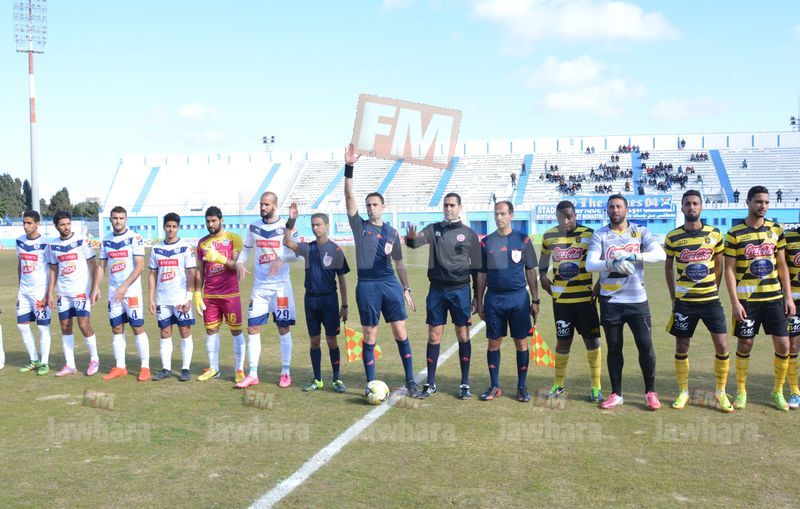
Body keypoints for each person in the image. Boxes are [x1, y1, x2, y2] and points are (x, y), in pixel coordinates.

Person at [344, 143, 419, 397]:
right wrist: (349, 168)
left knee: (400, 331)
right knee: (369, 333)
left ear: (382, 207)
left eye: (375, 204)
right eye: (368, 205)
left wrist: (406, 288)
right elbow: (349, 198)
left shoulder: (392, 232)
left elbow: (399, 263)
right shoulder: (360, 227)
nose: (370, 208)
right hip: (367, 285)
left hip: (389, 284)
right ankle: (371, 384)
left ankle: (411, 381)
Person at [586, 194, 666, 410]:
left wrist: (633, 256)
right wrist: (612, 263)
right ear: (607, 210)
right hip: (611, 301)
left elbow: (660, 255)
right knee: (614, 348)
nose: (615, 210)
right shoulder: (600, 234)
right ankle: (616, 394)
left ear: (627, 210)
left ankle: (650, 392)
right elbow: (590, 265)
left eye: (619, 206)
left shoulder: (640, 231)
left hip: (637, 300)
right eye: (611, 207)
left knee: (645, 346)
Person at [724, 185, 795, 411]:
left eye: (766, 202)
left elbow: (782, 265)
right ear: (748, 202)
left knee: (784, 345)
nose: (762, 206)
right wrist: (735, 302)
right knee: (745, 344)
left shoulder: (776, 230)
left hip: (774, 298)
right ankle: (741, 391)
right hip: (747, 301)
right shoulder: (734, 233)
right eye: (758, 202)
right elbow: (729, 270)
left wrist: (788, 297)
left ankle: (778, 391)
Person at [405, 192, 481, 399]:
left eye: (452, 205)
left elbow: (477, 267)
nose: (448, 208)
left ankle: (464, 384)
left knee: (463, 335)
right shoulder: (433, 229)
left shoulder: (469, 234)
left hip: (460, 290)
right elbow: (415, 243)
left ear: (460, 207)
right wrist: (410, 238)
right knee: (434, 336)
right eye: (446, 205)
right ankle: (430, 383)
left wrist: (477, 296)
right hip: (437, 290)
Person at [664, 191, 732, 412]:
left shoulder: (714, 234)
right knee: (682, 345)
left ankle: (720, 392)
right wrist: (674, 297)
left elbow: (719, 265)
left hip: (711, 300)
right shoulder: (673, 236)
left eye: (695, 203)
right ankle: (683, 392)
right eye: (687, 204)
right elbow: (668, 268)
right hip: (685, 302)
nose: (691, 207)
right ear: (682, 208)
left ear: (701, 207)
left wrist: (715, 289)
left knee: (722, 345)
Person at [475, 201, 539, 402]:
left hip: (518, 298)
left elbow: (531, 270)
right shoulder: (486, 242)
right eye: (496, 214)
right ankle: (495, 386)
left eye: (503, 214)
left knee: (521, 341)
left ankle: (522, 386)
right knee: (494, 342)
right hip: (494, 299)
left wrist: (535, 300)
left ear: (511, 215)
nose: (499, 217)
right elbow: (481, 274)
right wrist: (479, 300)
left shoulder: (523, 239)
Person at [539, 200, 603, 402]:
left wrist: (599, 284)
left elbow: (603, 262)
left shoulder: (590, 234)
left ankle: (596, 388)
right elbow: (543, 262)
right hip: (561, 301)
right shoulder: (549, 236)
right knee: (563, 342)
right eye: (561, 217)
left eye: (569, 217)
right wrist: (542, 276)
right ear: (556, 217)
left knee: (592, 342)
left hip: (585, 299)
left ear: (575, 216)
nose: (565, 221)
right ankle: (559, 385)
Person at [282, 204, 350, 393]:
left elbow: (342, 279)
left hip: (329, 300)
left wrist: (344, 305)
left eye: (318, 224)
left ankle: (336, 379)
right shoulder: (308, 248)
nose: (315, 228)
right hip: (311, 301)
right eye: (313, 225)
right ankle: (318, 379)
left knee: (331, 340)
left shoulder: (336, 250)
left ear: (327, 226)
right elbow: (287, 241)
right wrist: (291, 220)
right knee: (314, 341)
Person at [235, 192, 299, 388]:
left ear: (275, 206)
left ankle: (285, 372)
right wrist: (239, 262)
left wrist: (281, 259)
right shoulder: (254, 227)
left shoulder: (286, 227)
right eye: (261, 204)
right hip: (260, 288)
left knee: (283, 328)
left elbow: (296, 253)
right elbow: (247, 249)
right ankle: (253, 373)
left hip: (281, 288)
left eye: (267, 204)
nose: (263, 207)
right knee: (253, 328)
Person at [92, 206, 150, 381]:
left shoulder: (134, 238)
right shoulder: (106, 241)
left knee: (137, 327)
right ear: (110, 220)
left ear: (126, 219)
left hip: (131, 292)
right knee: (116, 328)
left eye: (121, 218)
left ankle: (145, 367)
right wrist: (96, 287)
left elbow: (140, 266)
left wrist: (124, 287)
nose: (118, 221)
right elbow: (101, 267)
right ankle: (120, 366)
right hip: (113, 292)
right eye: (115, 218)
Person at [46, 210, 100, 377]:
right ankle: (70, 364)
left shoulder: (82, 241)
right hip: (63, 293)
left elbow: (93, 265)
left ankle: (94, 359)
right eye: (62, 224)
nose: (66, 227)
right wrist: (50, 293)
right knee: (65, 327)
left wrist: (95, 288)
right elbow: (53, 270)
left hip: (81, 292)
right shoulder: (53, 246)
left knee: (83, 325)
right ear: (56, 226)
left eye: (68, 224)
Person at [194, 206, 244, 383]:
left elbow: (237, 266)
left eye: (214, 221)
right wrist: (197, 293)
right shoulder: (202, 243)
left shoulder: (233, 238)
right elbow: (200, 271)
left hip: (230, 294)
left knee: (236, 331)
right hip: (210, 295)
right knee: (211, 330)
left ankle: (239, 369)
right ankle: (213, 368)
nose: (210, 224)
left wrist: (219, 257)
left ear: (221, 220)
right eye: (208, 221)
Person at [148, 212, 197, 382]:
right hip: (163, 299)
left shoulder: (185, 248)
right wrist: (151, 298)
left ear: (178, 227)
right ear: (164, 227)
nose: (171, 229)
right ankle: (166, 369)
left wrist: (188, 298)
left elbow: (191, 274)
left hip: (180, 299)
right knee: (165, 332)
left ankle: (185, 369)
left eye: (174, 226)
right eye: (168, 226)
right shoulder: (156, 249)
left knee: (185, 331)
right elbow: (152, 274)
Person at [16, 210, 52, 375]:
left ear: (37, 224)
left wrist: (48, 293)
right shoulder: (19, 241)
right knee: (22, 326)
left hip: (39, 292)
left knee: (43, 327)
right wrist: (20, 286)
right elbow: (20, 264)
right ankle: (34, 360)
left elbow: (52, 269)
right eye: (24, 222)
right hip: (24, 292)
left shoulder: (46, 244)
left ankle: (44, 362)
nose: (26, 226)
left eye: (29, 223)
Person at [783, 224, 800, 408]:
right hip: (795, 302)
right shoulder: (789, 237)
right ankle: (795, 391)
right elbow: (781, 267)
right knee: (793, 345)